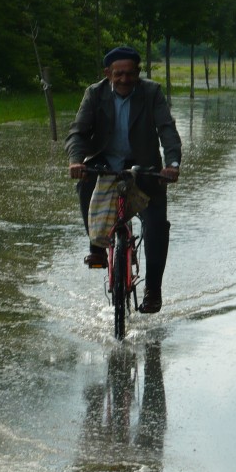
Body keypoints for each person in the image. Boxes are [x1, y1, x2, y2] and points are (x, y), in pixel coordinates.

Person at [65, 46, 181, 314]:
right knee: (84, 182)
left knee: (155, 225)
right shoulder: (94, 94)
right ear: (108, 74)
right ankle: (96, 245)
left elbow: (167, 129)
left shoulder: (151, 92)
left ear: (138, 73)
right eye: (118, 74)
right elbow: (78, 133)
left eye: (130, 74)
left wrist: (172, 164)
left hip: (145, 168)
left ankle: (153, 290)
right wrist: (76, 160)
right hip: (104, 163)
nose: (124, 79)